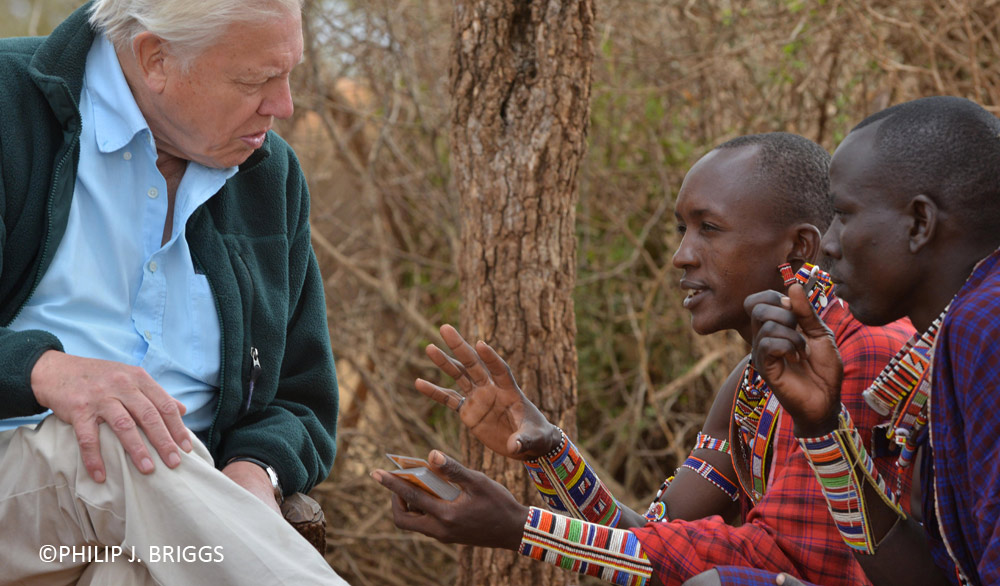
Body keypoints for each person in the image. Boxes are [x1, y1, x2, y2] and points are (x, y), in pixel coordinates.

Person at [372, 133, 915, 585]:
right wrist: (550, 451)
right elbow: (650, 537)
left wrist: (522, 528)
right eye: (682, 229)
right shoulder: (749, 384)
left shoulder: (863, 352)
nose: (681, 255)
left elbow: (778, 562)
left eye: (709, 228)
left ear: (797, 247)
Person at [0, 0, 348, 583]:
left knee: (138, 570)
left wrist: (252, 474)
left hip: (170, 517)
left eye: (289, 74)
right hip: (24, 492)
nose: (283, 105)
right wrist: (44, 371)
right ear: (154, 56)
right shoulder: (9, 106)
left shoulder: (270, 176)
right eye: (256, 80)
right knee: (121, 438)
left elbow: (300, 398)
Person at [745, 96, 1000, 586]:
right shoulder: (960, 326)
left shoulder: (984, 326)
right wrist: (820, 424)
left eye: (844, 214)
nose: (831, 243)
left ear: (919, 223)